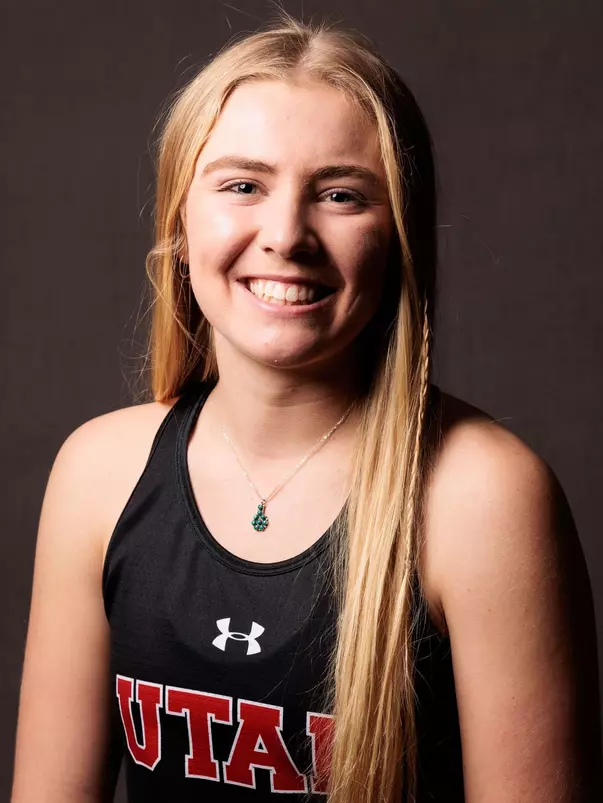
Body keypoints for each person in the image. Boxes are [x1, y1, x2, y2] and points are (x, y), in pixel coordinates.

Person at [10, 13, 602, 803]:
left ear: (398, 236)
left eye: (340, 195)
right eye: (242, 185)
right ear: (180, 220)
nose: (286, 235)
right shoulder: (99, 473)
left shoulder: (483, 496)